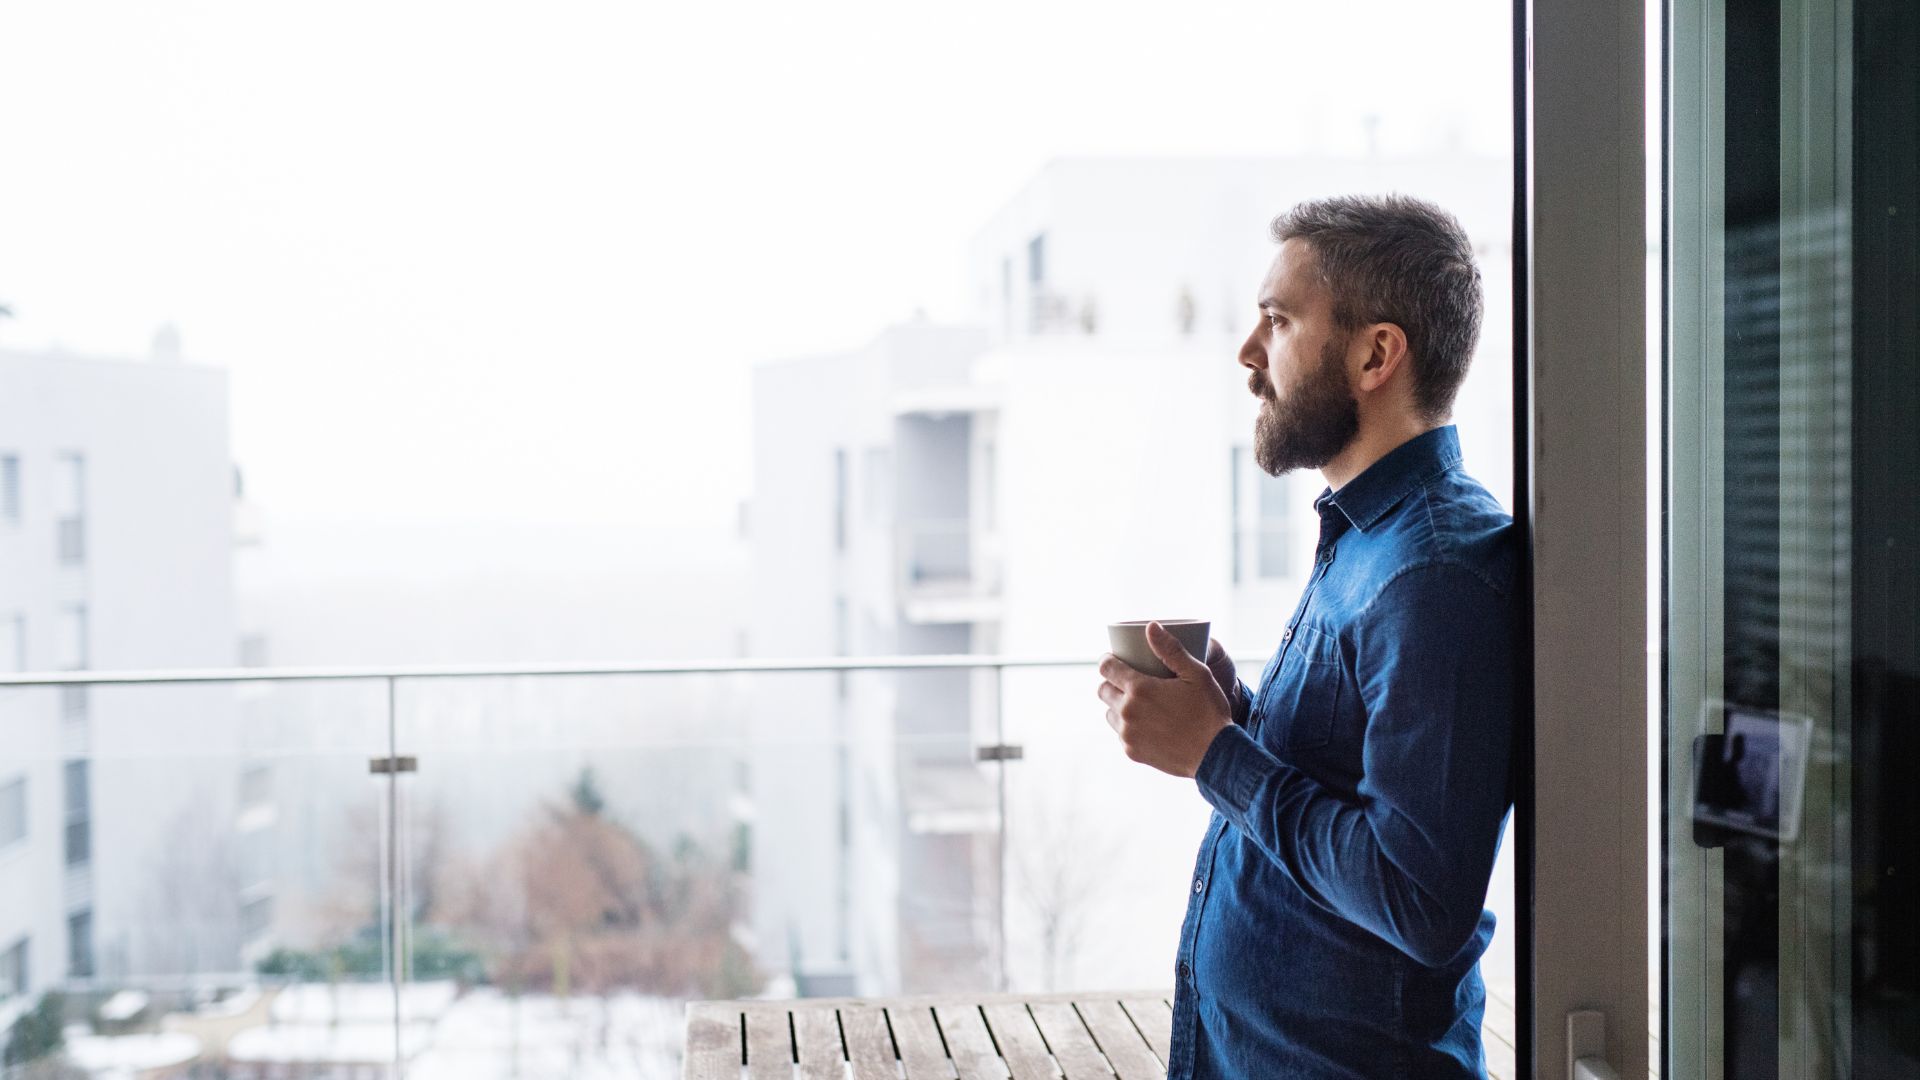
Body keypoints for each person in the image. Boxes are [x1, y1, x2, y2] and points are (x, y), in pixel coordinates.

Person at [1095, 194, 1517, 1079]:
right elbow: (1343, 779)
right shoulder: (1371, 538)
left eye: (1278, 321)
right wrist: (1228, 713)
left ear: (1375, 354)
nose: (1249, 355)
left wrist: (1216, 755)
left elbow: (1418, 897)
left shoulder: (1435, 571)